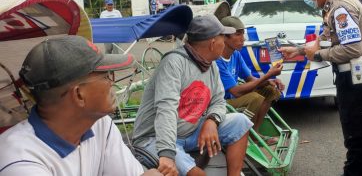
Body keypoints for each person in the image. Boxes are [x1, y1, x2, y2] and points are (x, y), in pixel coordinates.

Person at [280, 0, 362, 176]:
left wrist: (317, 54)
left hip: (359, 76)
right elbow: (326, 37)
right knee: (354, 135)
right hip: (356, 74)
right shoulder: (332, 4)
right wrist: (299, 50)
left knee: (356, 137)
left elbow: (352, 50)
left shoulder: (340, 8)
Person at [0, 35, 160, 175]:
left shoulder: (99, 125)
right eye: (106, 76)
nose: (112, 83)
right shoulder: (19, 161)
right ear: (79, 95)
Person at [132, 16, 253, 176]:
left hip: (191, 131)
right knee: (198, 174)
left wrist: (212, 121)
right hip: (155, 137)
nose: (224, 43)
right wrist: (167, 154)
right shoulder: (173, 63)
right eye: (222, 38)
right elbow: (166, 110)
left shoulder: (211, 64)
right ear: (212, 43)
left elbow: (218, 100)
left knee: (240, 122)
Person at [215, 16, 285, 145]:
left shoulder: (235, 54)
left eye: (243, 33)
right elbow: (236, 91)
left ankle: (255, 134)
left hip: (233, 99)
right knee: (255, 97)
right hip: (220, 104)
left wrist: (270, 80)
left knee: (270, 90)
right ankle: (242, 134)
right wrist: (267, 76)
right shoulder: (217, 61)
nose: (243, 39)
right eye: (238, 34)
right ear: (224, 37)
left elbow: (251, 79)